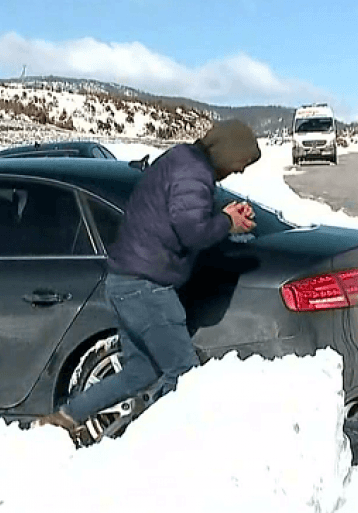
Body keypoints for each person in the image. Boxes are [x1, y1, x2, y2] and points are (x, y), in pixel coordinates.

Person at [35, 119, 261, 442]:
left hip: (125, 282)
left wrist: (224, 217)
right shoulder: (194, 172)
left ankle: (65, 417)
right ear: (227, 152)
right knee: (184, 374)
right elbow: (191, 230)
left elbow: (182, 216)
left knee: (140, 372)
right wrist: (227, 221)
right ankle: (148, 445)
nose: (239, 171)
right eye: (241, 162)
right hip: (146, 287)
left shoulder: (182, 160)